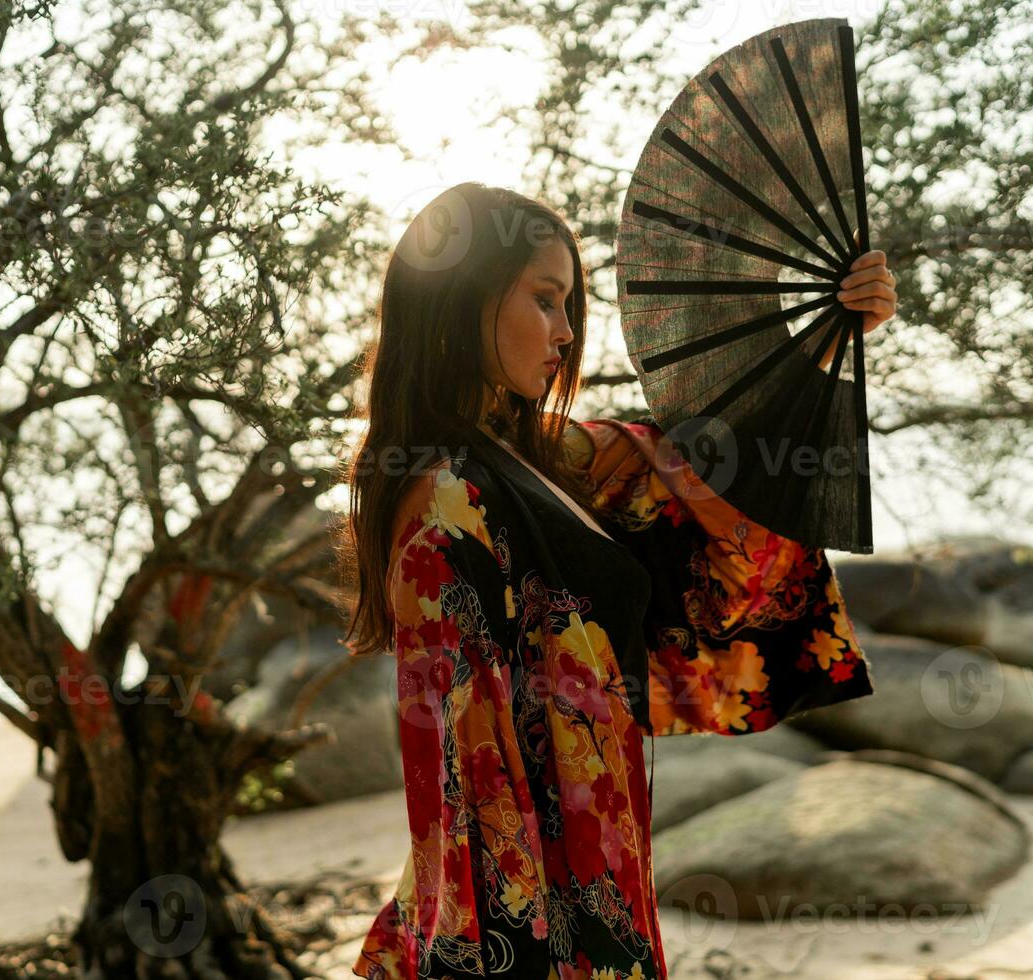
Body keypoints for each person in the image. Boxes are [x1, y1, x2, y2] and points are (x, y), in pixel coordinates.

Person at [340, 181, 896, 979]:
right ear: (462, 299)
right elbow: (468, 780)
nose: (566, 332)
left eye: (569, 305)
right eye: (544, 298)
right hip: (542, 911)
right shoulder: (444, 504)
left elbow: (706, 470)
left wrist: (826, 336)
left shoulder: (543, 460)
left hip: (600, 860)